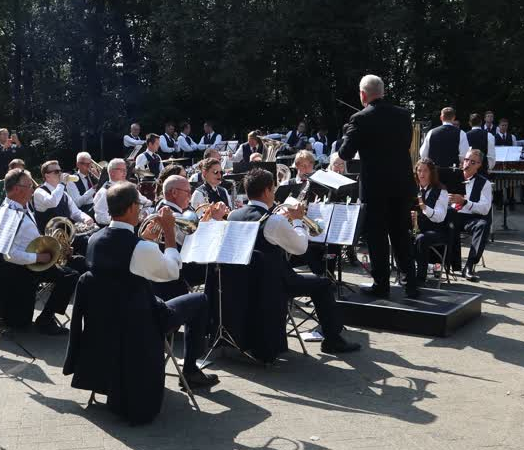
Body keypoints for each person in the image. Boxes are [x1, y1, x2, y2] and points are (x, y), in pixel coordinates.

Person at [86, 181, 220, 387]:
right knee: (200, 299)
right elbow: (172, 271)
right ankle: (191, 370)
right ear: (132, 207)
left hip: (108, 318)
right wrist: (169, 233)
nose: (141, 210)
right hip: (140, 320)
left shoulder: (94, 239)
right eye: (139, 205)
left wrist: (147, 241)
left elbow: (130, 267)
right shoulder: (139, 247)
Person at [228, 169, 360, 353]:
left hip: (245, 281)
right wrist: (297, 221)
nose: (274, 194)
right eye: (273, 189)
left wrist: (283, 222)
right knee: (323, 284)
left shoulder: (233, 216)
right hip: (273, 282)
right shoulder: (273, 221)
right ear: (266, 191)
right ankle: (333, 340)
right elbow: (300, 248)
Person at [338, 74, 419, 298]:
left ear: (363, 95)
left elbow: (345, 153)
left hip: (375, 188)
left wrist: (348, 132)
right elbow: (404, 143)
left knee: (377, 237)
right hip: (401, 184)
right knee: (401, 234)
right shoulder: (404, 115)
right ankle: (410, 284)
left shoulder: (359, 118)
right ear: (382, 92)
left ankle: (381, 285)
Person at [0, 169, 82, 334]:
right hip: (21, 269)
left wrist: (59, 248)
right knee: (69, 276)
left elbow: (30, 237)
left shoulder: (22, 206)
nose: (33, 189)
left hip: (30, 261)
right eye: (29, 186)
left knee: (74, 268)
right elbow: (9, 255)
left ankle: (46, 318)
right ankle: (45, 321)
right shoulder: (10, 212)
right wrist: (38, 257)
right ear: (17, 189)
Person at [449, 149, 493, 282]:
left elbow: (485, 209)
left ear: (479, 165)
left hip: (471, 218)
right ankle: (449, 264)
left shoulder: (484, 183)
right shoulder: (452, 177)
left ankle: (469, 266)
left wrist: (465, 202)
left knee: (483, 225)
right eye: (466, 160)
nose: (467, 163)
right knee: (444, 222)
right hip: (453, 214)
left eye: (472, 162)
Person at [411, 159, 450, 284]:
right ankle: (405, 272)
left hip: (436, 230)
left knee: (421, 238)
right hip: (417, 229)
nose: (421, 174)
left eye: (425, 171)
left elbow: (440, 217)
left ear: (432, 173)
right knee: (399, 234)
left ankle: (420, 278)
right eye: (419, 171)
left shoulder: (441, 190)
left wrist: (424, 208)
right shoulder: (413, 189)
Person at [34, 160, 95, 233]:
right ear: (47, 176)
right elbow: (53, 202)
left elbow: (75, 213)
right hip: (50, 238)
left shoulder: (63, 193)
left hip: (68, 234)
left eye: (60, 171)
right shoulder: (39, 192)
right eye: (56, 172)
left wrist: (86, 218)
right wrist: (62, 183)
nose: (60, 174)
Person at [93, 159, 152, 226]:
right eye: (121, 170)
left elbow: (148, 203)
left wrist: (145, 213)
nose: (125, 173)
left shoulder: (129, 188)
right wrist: (125, 219)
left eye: (125, 170)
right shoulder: (104, 192)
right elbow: (100, 217)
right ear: (112, 172)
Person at [65, 152, 98, 217]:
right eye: (84, 164)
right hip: (85, 213)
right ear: (78, 165)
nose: (88, 166)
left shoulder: (93, 176)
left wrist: (99, 178)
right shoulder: (71, 180)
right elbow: (77, 203)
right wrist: (93, 189)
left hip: (98, 208)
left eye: (89, 163)